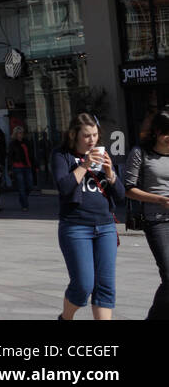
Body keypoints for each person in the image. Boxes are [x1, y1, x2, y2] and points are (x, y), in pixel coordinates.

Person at [53, 112, 124, 320]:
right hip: (76, 227)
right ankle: (65, 318)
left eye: (94, 135)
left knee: (105, 287)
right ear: (74, 135)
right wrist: (84, 165)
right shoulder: (61, 155)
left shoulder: (102, 154)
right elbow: (64, 188)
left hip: (106, 227)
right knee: (83, 285)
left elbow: (120, 196)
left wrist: (110, 174)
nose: (92, 140)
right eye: (86, 136)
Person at [125, 111, 169, 320]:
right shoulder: (140, 153)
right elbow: (128, 188)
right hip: (156, 221)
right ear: (156, 132)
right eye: (166, 134)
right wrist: (159, 199)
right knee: (168, 275)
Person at [8, 125, 35, 211]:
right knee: (21, 187)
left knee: (30, 186)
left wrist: (35, 164)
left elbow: (31, 154)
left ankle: (23, 198)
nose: (20, 135)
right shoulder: (12, 144)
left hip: (28, 166)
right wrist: (10, 168)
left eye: (21, 133)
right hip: (18, 167)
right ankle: (24, 205)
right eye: (19, 133)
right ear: (15, 134)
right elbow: (10, 156)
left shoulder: (27, 142)